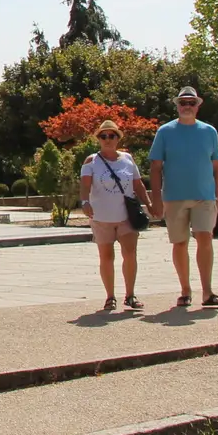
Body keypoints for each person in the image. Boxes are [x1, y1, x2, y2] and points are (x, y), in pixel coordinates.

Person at [149, 86, 218, 308]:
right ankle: (185, 290)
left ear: (198, 106)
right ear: (177, 106)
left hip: (204, 196)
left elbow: (217, 167)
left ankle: (208, 292)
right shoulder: (165, 132)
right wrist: (156, 199)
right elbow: (155, 167)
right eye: (183, 103)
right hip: (174, 197)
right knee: (180, 243)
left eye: (191, 103)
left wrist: (217, 197)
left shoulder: (209, 131)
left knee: (205, 239)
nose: (186, 106)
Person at [80, 119, 153, 310]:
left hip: (126, 216)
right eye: (103, 136)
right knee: (106, 257)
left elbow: (138, 185)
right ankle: (110, 296)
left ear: (118, 138)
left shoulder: (127, 159)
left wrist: (149, 204)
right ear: (98, 139)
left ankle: (130, 295)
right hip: (102, 217)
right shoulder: (91, 161)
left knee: (130, 254)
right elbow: (85, 186)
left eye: (112, 135)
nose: (107, 139)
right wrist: (85, 202)